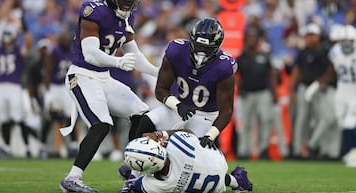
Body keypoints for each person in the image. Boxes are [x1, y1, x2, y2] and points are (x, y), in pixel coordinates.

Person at [59, 0, 158, 193]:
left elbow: (135, 55)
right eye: (124, 2)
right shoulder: (94, 11)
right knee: (102, 124)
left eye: (131, 2)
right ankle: (72, 177)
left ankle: (130, 168)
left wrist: (157, 72)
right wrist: (118, 62)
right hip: (82, 75)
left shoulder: (127, 17)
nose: (127, 6)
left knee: (143, 115)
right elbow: (90, 53)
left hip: (104, 78)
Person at [134, 18, 237, 149]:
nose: (202, 52)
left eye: (207, 48)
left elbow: (226, 111)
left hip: (204, 115)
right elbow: (161, 89)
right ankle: (133, 163)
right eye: (200, 46)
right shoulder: (176, 51)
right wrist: (177, 105)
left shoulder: (223, 66)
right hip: (177, 107)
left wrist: (210, 135)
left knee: (190, 147)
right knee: (145, 121)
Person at [119, 130, 253, 193]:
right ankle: (237, 180)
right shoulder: (177, 144)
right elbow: (189, 133)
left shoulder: (157, 186)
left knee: (127, 171)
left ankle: (235, 180)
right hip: (217, 159)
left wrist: (132, 172)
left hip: (213, 185)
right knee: (198, 156)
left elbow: (135, 184)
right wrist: (160, 134)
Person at [289, 23, 338, 159]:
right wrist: (291, 89)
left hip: (321, 89)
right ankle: (298, 151)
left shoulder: (326, 51)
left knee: (326, 118)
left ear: (318, 36)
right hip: (304, 87)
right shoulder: (303, 52)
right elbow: (297, 70)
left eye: (312, 35)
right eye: (308, 36)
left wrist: (320, 83)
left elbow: (332, 70)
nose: (310, 38)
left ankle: (317, 147)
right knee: (302, 119)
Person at [308, 25, 356, 165]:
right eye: (343, 40)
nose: (346, 44)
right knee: (342, 122)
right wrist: (317, 85)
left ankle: (353, 152)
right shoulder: (336, 52)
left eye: (350, 40)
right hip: (342, 90)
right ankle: (351, 151)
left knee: (350, 122)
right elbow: (331, 71)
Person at [236, 28, 281, 159]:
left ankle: (263, 150)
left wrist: (274, 92)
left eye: (253, 37)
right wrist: (238, 90)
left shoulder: (264, 56)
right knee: (246, 123)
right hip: (247, 94)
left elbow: (272, 75)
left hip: (263, 93)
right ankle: (244, 150)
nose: (251, 40)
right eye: (249, 37)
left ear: (257, 40)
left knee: (266, 120)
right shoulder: (241, 58)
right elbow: (235, 77)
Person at [0, 28, 32, 158]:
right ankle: (6, 147)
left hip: (15, 87)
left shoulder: (18, 51)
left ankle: (27, 148)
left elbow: (28, 45)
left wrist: (25, 29)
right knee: (4, 119)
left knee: (19, 118)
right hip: (1, 86)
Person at [43, 30, 80, 159]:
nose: (65, 41)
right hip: (55, 86)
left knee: (71, 116)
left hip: (68, 86)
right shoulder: (54, 51)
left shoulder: (73, 50)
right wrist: (48, 90)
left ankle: (74, 145)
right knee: (56, 116)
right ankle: (58, 148)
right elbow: (48, 69)